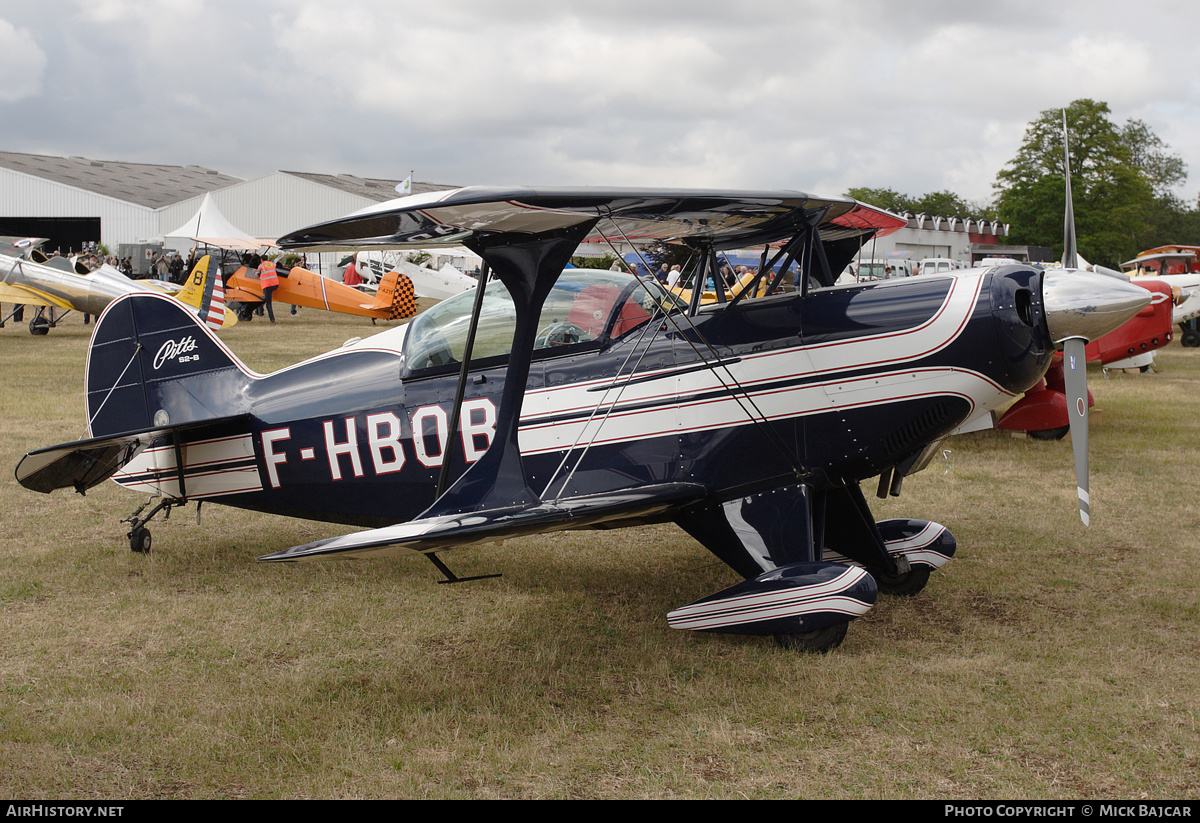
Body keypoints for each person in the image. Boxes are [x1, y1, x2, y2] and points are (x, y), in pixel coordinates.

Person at [258, 255, 279, 324]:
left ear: (261, 260)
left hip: (267, 285)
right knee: (267, 298)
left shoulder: (261, 266)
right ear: (267, 259)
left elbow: (256, 274)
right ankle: (260, 310)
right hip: (275, 284)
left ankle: (272, 320)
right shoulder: (272, 264)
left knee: (268, 304)